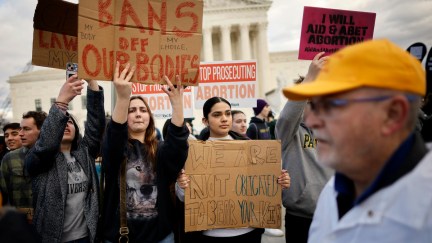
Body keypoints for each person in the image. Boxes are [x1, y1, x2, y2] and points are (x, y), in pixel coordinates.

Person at [282, 39, 432, 242]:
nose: (312, 120)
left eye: (332, 106)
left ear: (393, 114)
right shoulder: (332, 194)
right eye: (314, 106)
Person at [176, 96, 291, 242]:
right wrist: (181, 185)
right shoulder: (194, 152)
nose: (224, 119)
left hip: (249, 232)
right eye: (217, 115)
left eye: (228, 113)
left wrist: (281, 182)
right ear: (205, 121)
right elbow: (184, 197)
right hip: (211, 235)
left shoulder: (251, 148)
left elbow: (263, 189)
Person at [101, 62, 189, 243]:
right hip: (121, 237)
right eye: (131, 111)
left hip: (160, 237)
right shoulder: (115, 149)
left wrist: (177, 104)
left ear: (149, 117)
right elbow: (114, 135)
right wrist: (123, 98)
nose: (138, 114)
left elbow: (178, 147)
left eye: (143, 110)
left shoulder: (161, 149)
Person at [25, 75, 104, 242]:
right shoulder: (39, 159)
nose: (66, 123)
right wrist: (62, 102)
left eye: (70, 122)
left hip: (86, 238)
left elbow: (95, 125)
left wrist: (92, 82)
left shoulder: (84, 153)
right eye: (63, 121)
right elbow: (46, 144)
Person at [276, 52, 333, 243]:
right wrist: (309, 80)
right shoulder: (290, 132)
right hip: (300, 217)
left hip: (334, 215)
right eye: (309, 101)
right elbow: (287, 116)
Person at [0, 111, 47, 208]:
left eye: (26, 129)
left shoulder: (57, 156)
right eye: (20, 129)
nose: (21, 134)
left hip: (52, 220)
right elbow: (4, 193)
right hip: (21, 220)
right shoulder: (9, 158)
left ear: (42, 130)